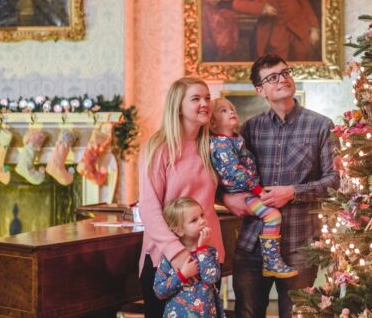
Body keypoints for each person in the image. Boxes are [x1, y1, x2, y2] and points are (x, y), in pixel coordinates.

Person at [222, 54, 339, 318]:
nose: (282, 79)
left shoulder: (321, 126)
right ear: (260, 90)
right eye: (272, 77)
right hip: (253, 243)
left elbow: (336, 181)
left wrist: (293, 192)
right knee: (247, 313)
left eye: (285, 72)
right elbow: (230, 175)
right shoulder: (250, 129)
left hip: (299, 244)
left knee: (297, 314)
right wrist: (228, 199)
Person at [138, 77, 224, 318]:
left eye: (207, 98)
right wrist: (178, 254)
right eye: (196, 99)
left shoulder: (212, 147)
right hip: (166, 259)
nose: (205, 103)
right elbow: (149, 208)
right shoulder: (158, 147)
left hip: (207, 256)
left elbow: (225, 192)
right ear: (178, 106)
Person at [210, 97, 298, 278]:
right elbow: (236, 174)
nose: (231, 112)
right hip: (243, 193)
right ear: (213, 123)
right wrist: (258, 190)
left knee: (273, 215)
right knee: (273, 216)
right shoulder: (220, 144)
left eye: (231, 108)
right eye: (223, 111)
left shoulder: (235, 139)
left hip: (247, 191)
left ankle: (271, 260)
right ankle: (271, 261)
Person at [154, 197, 225, 318]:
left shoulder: (210, 252)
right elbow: (159, 291)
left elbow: (211, 278)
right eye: (194, 220)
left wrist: (202, 249)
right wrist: (182, 275)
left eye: (202, 215)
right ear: (179, 230)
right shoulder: (169, 258)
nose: (202, 221)